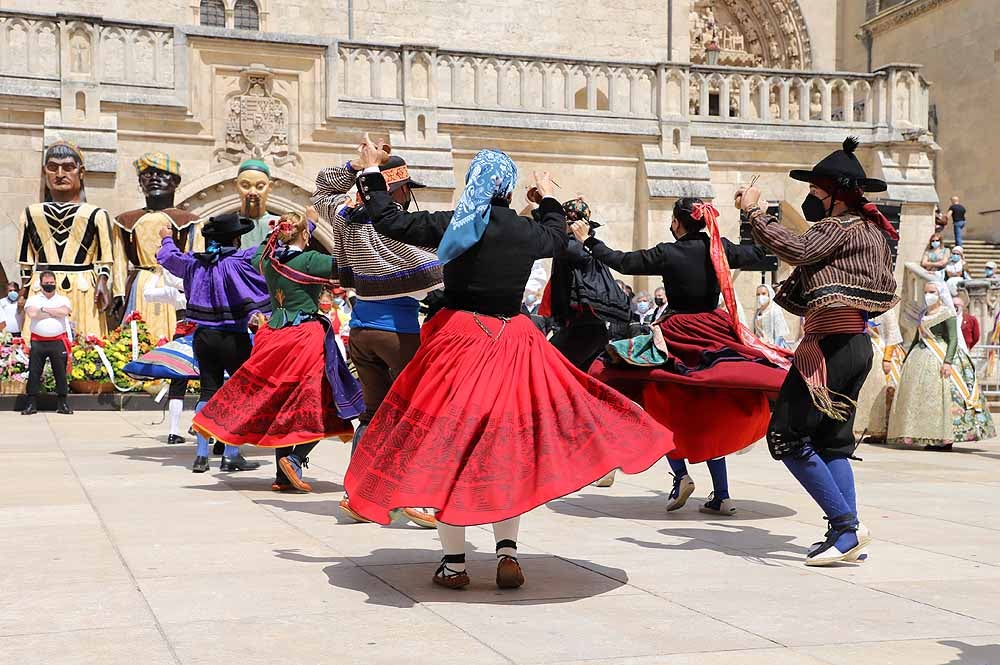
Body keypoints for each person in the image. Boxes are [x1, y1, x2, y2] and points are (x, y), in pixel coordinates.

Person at [344, 141, 675, 590]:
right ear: (508, 187)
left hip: (460, 341)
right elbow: (558, 234)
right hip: (513, 341)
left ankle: (455, 564)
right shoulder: (525, 232)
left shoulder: (454, 225)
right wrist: (547, 198)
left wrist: (369, 173)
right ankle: (507, 553)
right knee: (505, 449)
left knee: (452, 449)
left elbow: (389, 220)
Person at [740, 136, 900, 566]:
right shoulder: (873, 233)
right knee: (832, 443)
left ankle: (846, 527)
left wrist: (754, 211)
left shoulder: (838, 227)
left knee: (786, 436)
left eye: (814, 192)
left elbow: (798, 248)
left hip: (829, 347)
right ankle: (845, 532)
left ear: (835, 194)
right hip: (855, 346)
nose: (810, 200)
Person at [580, 198, 791, 517]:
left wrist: (589, 240)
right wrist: (752, 215)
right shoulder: (719, 248)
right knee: (712, 412)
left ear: (678, 223)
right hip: (714, 332)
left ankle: (681, 475)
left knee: (662, 407)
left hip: (678, 335)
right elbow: (762, 253)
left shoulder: (669, 251)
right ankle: (721, 494)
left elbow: (622, 261)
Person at [312, 152, 443, 527]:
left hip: (361, 331)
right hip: (397, 333)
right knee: (418, 413)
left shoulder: (344, 216)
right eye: (404, 190)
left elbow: (321, 189)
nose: (406, 198)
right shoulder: (393, 229)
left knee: (372, 415)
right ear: (397, 190)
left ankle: (356, 495)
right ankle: (416, 498)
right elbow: (435, 269)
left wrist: (353, 168)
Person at [192, 212, 361, 491]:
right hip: (305, 338)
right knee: (320, 403)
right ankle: (295, 459)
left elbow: (261, 250)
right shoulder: (310, 260)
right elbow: (348, 264)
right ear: (304, 236)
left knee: (279, 404)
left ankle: (283, 477)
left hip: (273, 337)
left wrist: (285, 232)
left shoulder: (267, 262)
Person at [157, 213, 272, 473]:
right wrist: (301, 226)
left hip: (204, 337)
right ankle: (231, 454)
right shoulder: (242, 260)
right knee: (240, 394)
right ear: (235, 238)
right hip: (234, 336)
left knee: (207, 392)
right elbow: (271, 250)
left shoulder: (195, 262)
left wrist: (166, 238)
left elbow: (168, 257)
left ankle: (201, 455)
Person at [17, 141, 117, 340]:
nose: (60, 174)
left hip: (83, 287)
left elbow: (105, 256)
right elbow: (25, 258)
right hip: (42, 286)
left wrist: (103, 281)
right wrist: (24, 288)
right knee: (39, 341)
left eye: (68, 167)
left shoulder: (96, 214)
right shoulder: (30, 213)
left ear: (81, 172)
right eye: (53, 167)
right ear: (45, 172)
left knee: (86, 342)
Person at [888, 281, 994, 451]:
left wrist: (948, 362)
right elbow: (917, 338)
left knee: (944, 397)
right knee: (922, 399)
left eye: (932, 292)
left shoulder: (947, 313)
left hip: (941, 356)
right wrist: (906, 360)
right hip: (920, 356)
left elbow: (953, 339)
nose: (928, 295)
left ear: (940, 294)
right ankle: (926, 435)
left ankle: (945, 439)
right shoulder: (923, 314)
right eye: (926, 292)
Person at [542, 197, 630, 371]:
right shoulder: (585, 245)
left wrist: (545, 202)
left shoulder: (574, 247)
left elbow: (546, 236)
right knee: (578, 380)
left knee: (547, 367)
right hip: (589, 328)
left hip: (584, 329)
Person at [21, 271, 73, 415]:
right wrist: (53, 312)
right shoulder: (33, 299)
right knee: (34, 373)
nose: (49, 285)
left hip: (58, 342)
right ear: (41, 283)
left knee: (60, 373)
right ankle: (31, 404)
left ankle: (63, 404)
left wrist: (43, 310)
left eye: (51, 283)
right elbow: (32, 314)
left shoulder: (63, 299)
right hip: (38, 342)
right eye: (46, 283)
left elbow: (64, 311)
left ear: (55, 283)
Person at [853, 309, 904, 442]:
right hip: (864, 351)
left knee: (883, 394)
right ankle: (871, 428)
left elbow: (893, 336)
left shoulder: (887, 310)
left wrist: (887, 358)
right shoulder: (860, 307)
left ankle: (883, 430)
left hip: (882, 354)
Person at [234, 160, 281, 248]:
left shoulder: (279, 224)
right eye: (245, 186)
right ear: (236, 186)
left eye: (260, 187)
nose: (253, 192)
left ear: (270, 187)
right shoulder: (228, 225)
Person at [754, 284, 791, 349]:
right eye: (758, 294)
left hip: (773, 347)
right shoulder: (757, 312)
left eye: (763, 293)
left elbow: (779, 334)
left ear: (769, 294)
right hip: (760, 346)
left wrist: (774, 348)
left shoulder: (775, 310)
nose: (760, 297)